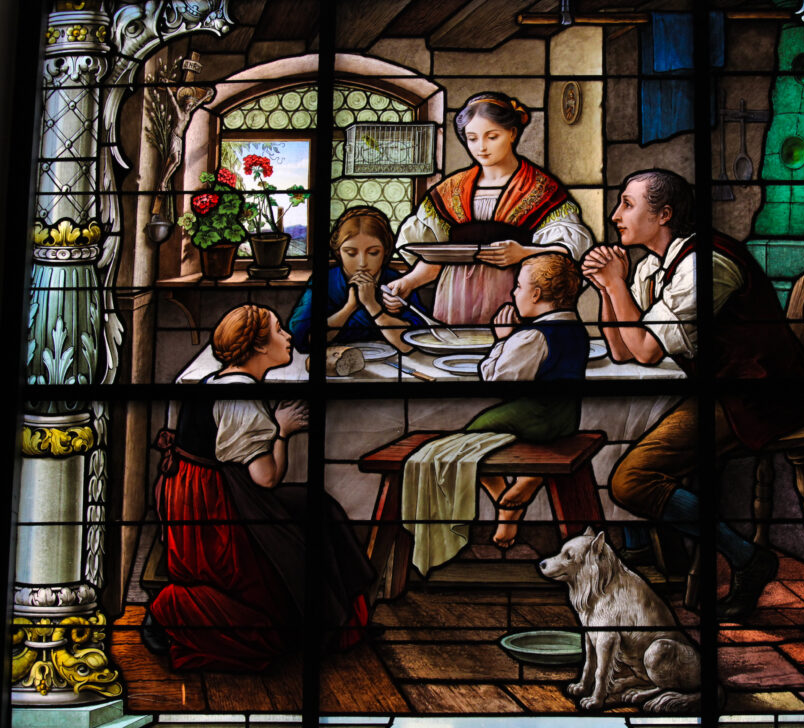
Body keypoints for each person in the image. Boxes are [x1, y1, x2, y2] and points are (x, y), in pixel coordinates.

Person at [582, 169, 804, 621]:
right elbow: (623, 348)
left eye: (627, 203)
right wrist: (607, 286)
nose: (616, 215)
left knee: (629, 481)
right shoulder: (652, 268)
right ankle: (671, 560)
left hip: (758, 396)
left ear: (664, 214)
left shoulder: (705, 264)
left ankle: (745, 557)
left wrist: (615, 284)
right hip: (722, 390)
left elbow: (643, 348)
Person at [146, 304, 375, 670]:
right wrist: (281, 431)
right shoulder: (242, 398)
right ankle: (172, 611)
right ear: (257, 348)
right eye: (279, 331)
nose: (288, 337)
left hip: (203, 496)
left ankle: (342, 617)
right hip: (218, 510)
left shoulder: (217, 382)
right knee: (311, 522)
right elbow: (267, 478)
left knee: (317, 506)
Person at [382, 92, 592, 325]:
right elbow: (437, 255)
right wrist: (407, 282)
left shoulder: (541, 189)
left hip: (516, 294)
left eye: (492, 137)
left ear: (512, 133)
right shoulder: (450, 190)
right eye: (472, 138)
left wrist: (523, 253)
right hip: (455, 297)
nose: (481, 147)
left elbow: (570, 252)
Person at [466, 253, 590, 547]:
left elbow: (497, 382)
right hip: (567, 417)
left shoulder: (531, 336)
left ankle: (508, 506)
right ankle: (525, 483)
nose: (513, 293)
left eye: (518, 287)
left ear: (536, 294)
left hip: (536, 416)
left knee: (471, 440)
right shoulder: (577, 329)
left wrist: (502, 340)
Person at [288, 206, 424, 354]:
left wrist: (372, 306)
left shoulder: (396, 282)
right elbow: (304, 340)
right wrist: (350, 307)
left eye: (373, 253)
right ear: (338, 252)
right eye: (351, 253)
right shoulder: (325, 281)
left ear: (385, 251)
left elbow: (413, 342)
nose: (362, 263)